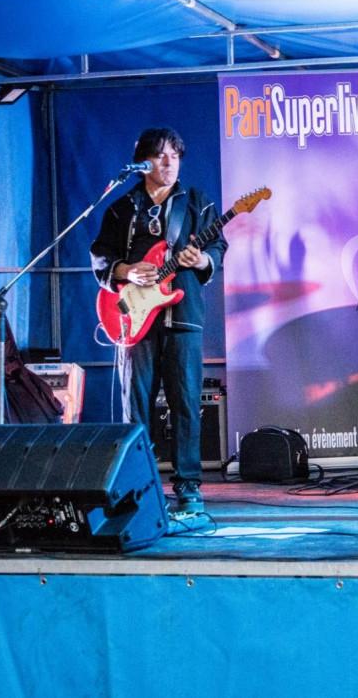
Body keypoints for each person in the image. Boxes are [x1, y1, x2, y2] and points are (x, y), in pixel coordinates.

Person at [91, 127, 227, 516]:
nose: (169, 162)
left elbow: (217, 246)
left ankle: (188, 487)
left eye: (175, 156)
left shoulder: (198, 202)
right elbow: (100, 254)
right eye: (161, 155)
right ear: (144, 161)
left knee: (186, 401)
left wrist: (202, 259)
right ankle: (138, 484)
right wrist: (126, 271)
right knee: (136, 404)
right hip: (134, 318)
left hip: (183, 315)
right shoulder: (122, 208)